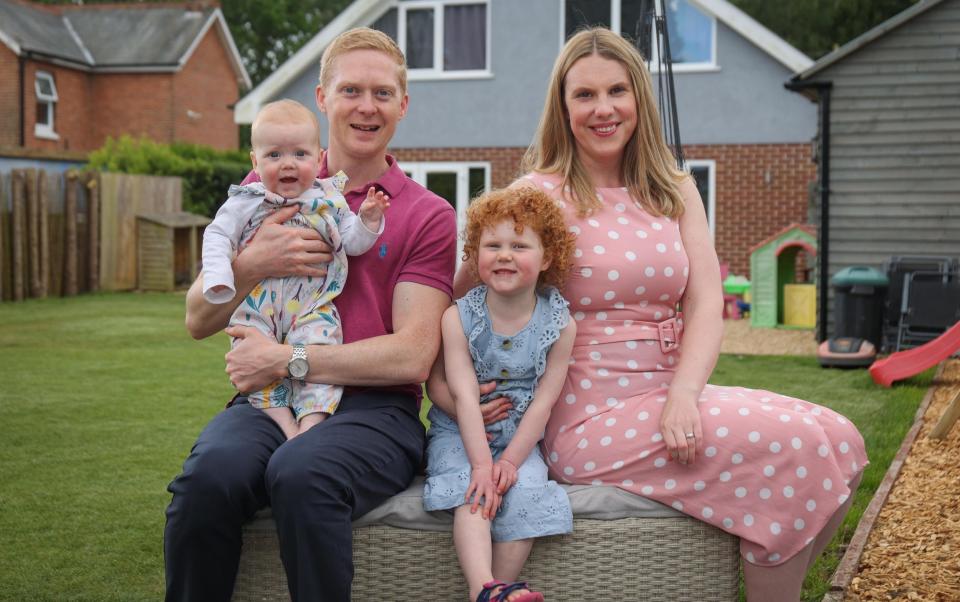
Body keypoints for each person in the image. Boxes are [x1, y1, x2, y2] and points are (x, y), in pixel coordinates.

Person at [433, 28, 868, 601]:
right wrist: (443, 389)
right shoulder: (538, 196)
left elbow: (706, 300)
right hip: (588, 411)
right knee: (799, 450)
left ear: (639, 95)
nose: (603, 109)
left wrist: (686, 392)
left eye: (617, 90)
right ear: (562, 108)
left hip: (669, 390)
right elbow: (456, 296)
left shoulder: (674, 190)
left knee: (843, 440)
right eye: (584, 95)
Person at [164, 27, 457, 601]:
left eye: (381, 93)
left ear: (403, 103)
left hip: (377, 413)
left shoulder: (426, 214)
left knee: (301, 473)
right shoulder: (266, 187)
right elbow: (198, 319)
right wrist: (252, 263)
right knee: (207, 481)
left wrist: (284, 358)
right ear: (322, 99)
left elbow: (413, 353)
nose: (366, 107)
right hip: (268, 400)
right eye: (350, 90)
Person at [202, 99, 390, 440]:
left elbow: (353, 242)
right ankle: (285, 424)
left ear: (319, 159)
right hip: (257, 305)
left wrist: (368, 220)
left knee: (320, 355)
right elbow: (217, 235)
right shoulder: (247, 200)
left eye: (300, 155)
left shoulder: (330, 199)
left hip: (310, 307)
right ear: (255, 162)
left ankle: (310, 425)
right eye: (274, 155)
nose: (288, 164)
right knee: (249, 354)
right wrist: (219, 276)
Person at [423, 188, 577, 602]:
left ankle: (499, 591)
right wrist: (480, 465)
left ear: (546, 258)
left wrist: (508, 461)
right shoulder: (458, 318)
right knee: (473, 491)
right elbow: (464, 395)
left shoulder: (560, 323)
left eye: (519, 245)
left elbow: (545, 401)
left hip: (520, 438)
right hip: (460, 431)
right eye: (493, 245)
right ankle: (484, 589)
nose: (504, 255)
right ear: (475, 255)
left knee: (526, 490)